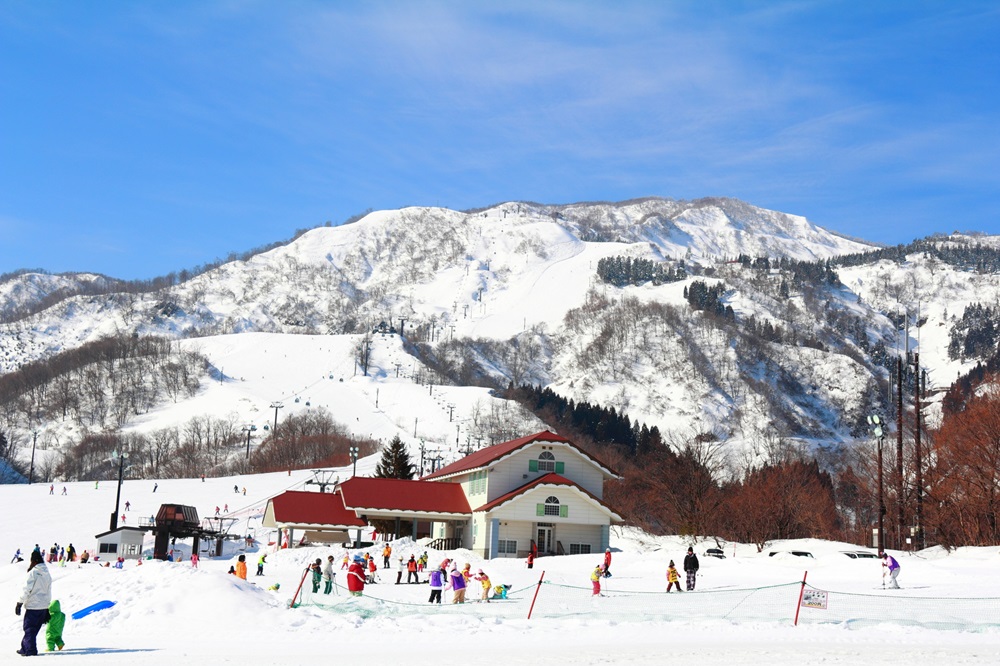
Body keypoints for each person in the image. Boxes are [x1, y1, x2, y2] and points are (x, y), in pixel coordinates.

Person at [16, 550, 52, 657]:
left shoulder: (34, 572)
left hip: (33, 606)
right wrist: (47, 608)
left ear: (34, 561)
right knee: (33, 629)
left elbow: (27, 589)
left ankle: (30, 650)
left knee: (29, 628)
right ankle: (24, 648)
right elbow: (48, 591)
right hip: (43, 606)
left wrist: (19, 603)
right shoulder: (47, 573)